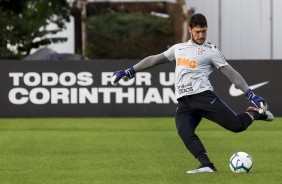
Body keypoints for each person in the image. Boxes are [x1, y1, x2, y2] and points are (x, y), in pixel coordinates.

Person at [111, 13, 274, 173]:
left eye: (204, 31)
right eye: (197, 31)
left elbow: (232, 74)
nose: (201, 35)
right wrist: (129, 71)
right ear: (190, 30)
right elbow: (154, 60)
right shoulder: (178, 48)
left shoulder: (211, 51)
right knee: (184, 131)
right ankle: (207, 165)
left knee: (237, 126)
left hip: (203, 97)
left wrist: (251, 94)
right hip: (184, 102)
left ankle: (255, 113)